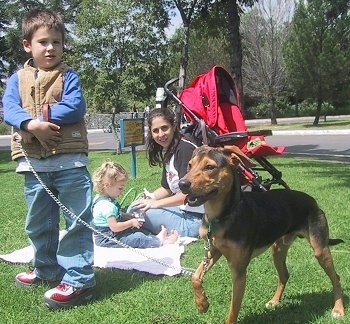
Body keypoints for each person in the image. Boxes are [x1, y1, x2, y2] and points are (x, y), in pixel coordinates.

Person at [1, 8, 95, 310]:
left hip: (70, 164)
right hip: (34, 166)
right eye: (43, 41)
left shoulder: (69, 76)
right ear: (27, 45)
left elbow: (75, 107)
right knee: (38, 224)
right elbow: (9, 110)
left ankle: (79, 280)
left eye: (57, 41)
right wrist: (30, 127)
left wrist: (41, 121)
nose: (51, 47)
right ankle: (46, 270)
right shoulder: (16, 79)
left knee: (77, 223)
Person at [128, 108, 204, 238]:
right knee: (136, 207)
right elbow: (167, 188)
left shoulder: (185, 150)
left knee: (134, 213)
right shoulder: (171, 150)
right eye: (156, 131)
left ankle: (150, 237)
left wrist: (155, 204)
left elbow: (186, 195)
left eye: (164, 128)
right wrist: (150, 198)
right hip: (182, 212)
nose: (161, 134)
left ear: (174, 126)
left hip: (195, 220)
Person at [91, 160, 179, 248]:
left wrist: (129, 216)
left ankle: (154, 237)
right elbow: (114, 227)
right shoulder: (106, 206)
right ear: (107, 185)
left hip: (114, 233)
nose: (122, 191)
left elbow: (116, 215)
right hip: (109, 238)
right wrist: (131, 222)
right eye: (120, 188)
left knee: (137, 231)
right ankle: (160, 241)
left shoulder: (104, 199)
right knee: (138, 238)